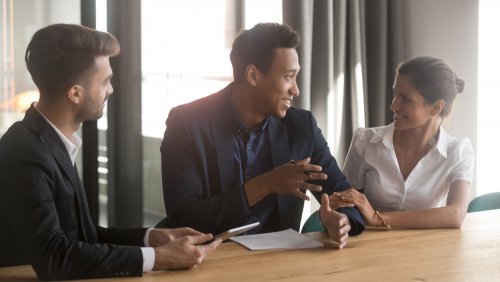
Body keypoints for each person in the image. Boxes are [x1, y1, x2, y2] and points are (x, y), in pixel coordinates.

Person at [0, 24, 220, 280]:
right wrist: (161, 258)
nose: (111, 90)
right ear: (75, 93)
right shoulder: (25, 154)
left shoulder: (51, 140)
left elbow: (83, 237)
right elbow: (54, 257)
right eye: (105, 81)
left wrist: (153, 238)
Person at [158, 22, 365, 248]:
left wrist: (342, 219)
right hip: (208, 260)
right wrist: (265, 185)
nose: (295, 90)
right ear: (253, 75)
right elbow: (182, 219)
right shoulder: (186, 124)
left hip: (278, 263)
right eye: (288, 77)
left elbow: (346, 196)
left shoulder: (301, 127)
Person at [334, 56, 474, 229]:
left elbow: (456, 214)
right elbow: (344, 204)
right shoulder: (365, 141)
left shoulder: (458, 152)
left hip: (427, 250)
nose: (393, 106)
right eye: (395, 94)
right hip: (369, 249)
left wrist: (377, 217)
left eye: (406, 99)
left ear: (436, 107)